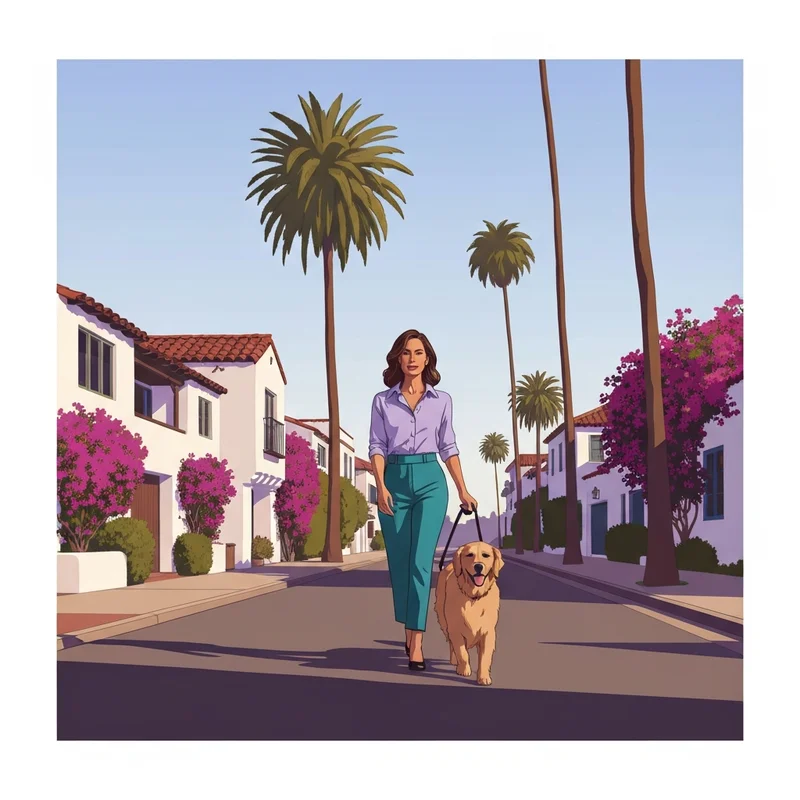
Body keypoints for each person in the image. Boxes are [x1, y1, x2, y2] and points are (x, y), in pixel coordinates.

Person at [369, 329, 478, 671]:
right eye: (406, 352)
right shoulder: (382, 401)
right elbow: (376, 446)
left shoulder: (442, 400)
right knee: (399, 564)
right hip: (394, 480)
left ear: (427, 358)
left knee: (419, 561)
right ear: (397, 359)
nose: (412, 358)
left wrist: (462, 488)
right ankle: (408, 623)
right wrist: (380, 485)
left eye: (418, 352)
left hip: (431, 479)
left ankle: (415, 641)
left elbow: (449, 445)